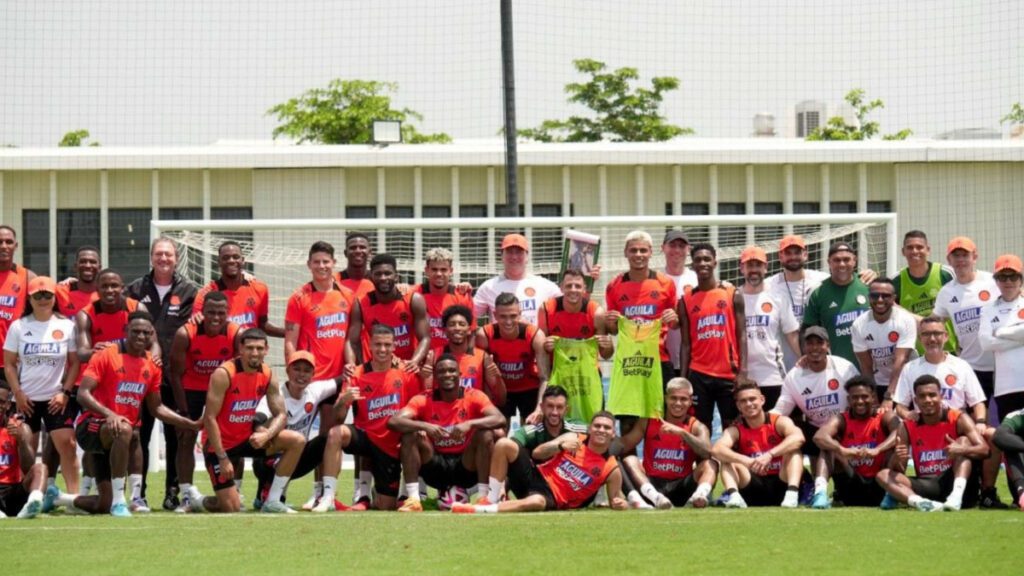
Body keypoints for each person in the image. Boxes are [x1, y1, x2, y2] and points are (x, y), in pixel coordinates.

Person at [50, 312, 200, 517]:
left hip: (119, 436)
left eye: (146, 333)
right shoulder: (106, 354)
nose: (140, 336)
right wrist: (110, 414)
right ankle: (123, 500)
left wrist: (189, 423)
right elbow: (83, 394)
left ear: (151, 335)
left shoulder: (151, 364)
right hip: (93, 426)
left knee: (102, 503)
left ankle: (58, 497)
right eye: (135, 331)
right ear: (126, 331)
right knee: (129, 429)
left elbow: (156, 408)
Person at [894, 315, 1005, 508]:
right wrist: (907, 414)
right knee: (896, 439)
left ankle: (987, 493)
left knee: (993, 435)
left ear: (946, 336)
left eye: (937, 333)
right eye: (926, 334)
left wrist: (979, 421)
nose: (932, 339)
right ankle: (898, 492)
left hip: (959, 425)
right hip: (926, 426)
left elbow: (978, 401)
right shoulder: (911, 368)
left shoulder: (960, 365)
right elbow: (900, 405)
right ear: (920, 339)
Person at [196, 328, 306, 514]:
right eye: (249, 348)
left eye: (259, 348)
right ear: (240, 348)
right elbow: (210, 417)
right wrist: (222, 458)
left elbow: (281, 414)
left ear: (267, 349)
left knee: (297, 440)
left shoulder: (267, 373)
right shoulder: (224, 374)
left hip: (247, 439)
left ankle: (272, 500)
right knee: (231, 508)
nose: (254, 353)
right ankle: (198, 501)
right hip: (219, 446)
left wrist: (268, 435)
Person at [284, 240, 360, 508]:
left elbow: (352, 338)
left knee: (328, 436)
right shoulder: (298, 297)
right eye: (316, 261)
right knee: (302, 437)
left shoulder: (348, 296)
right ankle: (280, 489)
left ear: (334, 264)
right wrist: (294, 373)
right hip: (310, 380)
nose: (321, 266)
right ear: (309, 265)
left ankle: (323, 492)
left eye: (326, 261)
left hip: (337, 380)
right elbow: (290, 340)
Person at [126, 236, 197, 511]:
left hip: (175, 377)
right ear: (151, 257)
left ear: (176, 258)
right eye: (159, 254)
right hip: (139, 377)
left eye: (168, 254)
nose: (163, 259)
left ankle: (172, 492)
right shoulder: (134, 289)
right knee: (139, 437)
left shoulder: (190, 290)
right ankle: (138, 493)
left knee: (174, 436)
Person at [388, 354, 506, 512]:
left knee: (485, 434)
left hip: (466, 466)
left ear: (460, 374)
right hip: (436, 466)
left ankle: (483, 497)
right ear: (435, 376)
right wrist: (424, 426)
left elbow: (499, 418)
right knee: (410, 434)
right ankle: (413, 499)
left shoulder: (474, 396)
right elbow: (393, 421)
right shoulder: (423, 399)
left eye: (452, 370)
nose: (447, 374)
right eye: (442, 371)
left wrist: (470, 424)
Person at [451, 411, 627, 513]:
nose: (601, 430)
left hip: (552, 497)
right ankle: (489, 499)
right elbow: (537, 453)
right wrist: (560, 445)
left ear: (613, 433)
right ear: (590, 428)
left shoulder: (611, 469)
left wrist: (621, 504)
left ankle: (479, 510)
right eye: (597, 426)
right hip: (535, 476)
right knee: (504, 444)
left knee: (537, 502)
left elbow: (616, 501)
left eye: (606, 428)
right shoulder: (575, 437)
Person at [2, 276, 80, 496]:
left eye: (48, 295)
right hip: (26, 400)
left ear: (55, 297)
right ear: (30, 298)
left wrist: (65, 393)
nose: (43, 299)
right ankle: (27, 497)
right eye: (38, 296)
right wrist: (18, 393)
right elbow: (8, 364)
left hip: (56, 399)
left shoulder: (66, 326)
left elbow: (74, 363)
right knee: (25, 449)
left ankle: (74, 497)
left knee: (69, 445)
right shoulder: (19, 326)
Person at [72, 269, 144, 500]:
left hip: (129, 380)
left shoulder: (135, 308)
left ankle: (135, 496)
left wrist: (154, 357)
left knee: (134, 434)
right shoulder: (87, 313)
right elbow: (81, 352)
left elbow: (150, 339)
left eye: (115, 286)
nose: (110, 290)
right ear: (98, 289)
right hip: (98, 382)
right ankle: (86, 488)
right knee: (96, 442)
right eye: (105, 286)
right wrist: (96, 351)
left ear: (122, 287)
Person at [333, 325, 420, 511]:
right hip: (367, 438)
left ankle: (408, 495)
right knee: (335, 433)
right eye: (378, 344)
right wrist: (343, 401)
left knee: (385, 506)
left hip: (391, 444)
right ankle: (328, 496)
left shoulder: (406, 372)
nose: (382, 349)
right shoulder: (356, 374)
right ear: (369, 346)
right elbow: (337, 418)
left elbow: (418, 405)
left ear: (394, 347)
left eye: (387, 345)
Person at [169, 291, 240, 512]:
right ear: (202, 312)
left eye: (221, 313)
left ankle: (234, 489)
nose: (216, 317)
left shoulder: (235, 333)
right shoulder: (185, 333)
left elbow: (238, 371)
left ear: (227, 313)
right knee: (186, 436)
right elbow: (174, 374)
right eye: (211, 312)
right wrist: (184, 412)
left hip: (220, 390)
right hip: (191, 389)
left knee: (231, 437)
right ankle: (187, 494)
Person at [875, 375, 988, 511]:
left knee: (963, 441)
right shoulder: (906, 426)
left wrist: (961, 450)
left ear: (941, 396)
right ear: (915, 400)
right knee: (883, 475)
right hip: (927, 484)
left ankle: (955, 498)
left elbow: (985, 450)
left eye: (932, 395)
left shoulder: (958, 418)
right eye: (922, 396)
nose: (928, 400)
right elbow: (900, 470)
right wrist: (896, 458)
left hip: (955, 481)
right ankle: (921, 504)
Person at [251, 351, 346, 512]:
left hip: (295, 457)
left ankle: (327, 496)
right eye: (297, 369)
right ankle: (269, 495)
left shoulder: (315, 390)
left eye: (306, 371)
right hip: (267, 459)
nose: (301, 375)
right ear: (287, 371)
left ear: (313, 374)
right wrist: (263, 433)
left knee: (327, 440)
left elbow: (342, 379)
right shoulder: (277, 394)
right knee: (292, 441)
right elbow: (257, 419)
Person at [772, 326, 859, 481]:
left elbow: (861, 398)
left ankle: (842, 482)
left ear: (828, 345)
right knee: (786, 430)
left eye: (820, 343)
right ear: (804, 347)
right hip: (816, 431)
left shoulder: (845, 368)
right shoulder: (794, 377)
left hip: (844, 429)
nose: (815, 348)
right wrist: (756, 418)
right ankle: (802, 484)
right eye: (810, 343)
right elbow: (781, 410)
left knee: (848, 488)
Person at [618, 377, 717, 509]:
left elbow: (707, 452)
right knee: (628, 459)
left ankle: (699, 497)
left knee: (711, 463)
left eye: (683, 399)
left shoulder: (696, 426)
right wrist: (603, 441)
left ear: (690, 401)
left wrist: (683, 433)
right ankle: (655, 498)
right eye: (673, 398)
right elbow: (625, 444)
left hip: (681, 486)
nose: (678, 403)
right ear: (665, 398)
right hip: (651, 484)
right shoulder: (649, 421)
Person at [679, 242, 747, 429]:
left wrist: (743, 371)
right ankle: (704, 460)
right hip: (699, 374)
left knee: (731, 424)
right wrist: (684, 378)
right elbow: (685, 344)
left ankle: (730, 460)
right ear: (692, 265)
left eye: (707, 259)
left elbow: (742, 335)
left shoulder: (732, 293)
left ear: (715, 263)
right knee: (701, 425)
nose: (703, 263)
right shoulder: (685, 300)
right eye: (698, 260)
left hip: (728, 372)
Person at [711, 382, 805, 508]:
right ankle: (734, 497)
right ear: (738, 406)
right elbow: (717, 450)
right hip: (753, 485)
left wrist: (770, 455)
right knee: (727, 459)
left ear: (762, 400)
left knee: (794, 452)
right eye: (743, 401)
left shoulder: (779, 421)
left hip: (781, 481)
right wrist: (748, 461)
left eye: (752, 399)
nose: (749, 404)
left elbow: (799, 438)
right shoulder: (734, 430)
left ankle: (792, 495)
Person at [811, 375, 899, 508]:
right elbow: (819, 436)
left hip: (880, 483)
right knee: (828, 447)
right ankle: (820, 493)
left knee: (897, 448)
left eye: (864, 396)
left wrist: (878, 449)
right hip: (851, 483)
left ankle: (891, 495)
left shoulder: (884, 416)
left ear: (873, 398)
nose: (860, 401)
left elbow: (900, 433)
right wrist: (843, 450)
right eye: (855, 397)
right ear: (848, 399)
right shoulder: (841, 419)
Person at [933, 236, 999, 411]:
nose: (961, 260)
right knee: (977, 422)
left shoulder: (993, 281)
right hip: (972, 367)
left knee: (1007, 418)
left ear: (974, 257)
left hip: (1001, 364)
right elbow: (933, 324)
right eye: (956, 256)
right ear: (949, 260)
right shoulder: (946, 292)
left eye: (965, 255)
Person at [605, 231, 678, 386]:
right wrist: (610, 323)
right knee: (628, 410)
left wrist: (674, 318)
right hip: (628, 361)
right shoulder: (614, 286)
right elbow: (613, 330)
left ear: (651, 252)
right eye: (633, 250)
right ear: (626, 252)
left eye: (643, 250)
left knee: (660, 410)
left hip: (659, 358)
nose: (638, 255)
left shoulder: (665, 283)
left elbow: (674, 324)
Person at [739, 246, 800, 408]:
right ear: (741, 268)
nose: (754, 270)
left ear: (765, 267)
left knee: (775, 425)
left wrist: (804, 357)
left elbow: (792, 334)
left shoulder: (778, 297)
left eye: (758, 265)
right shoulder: (733, 297)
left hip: (773, 375)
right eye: (749, 265)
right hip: (742, 377)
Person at [476, 292, 549, 426]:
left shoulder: (534, 335)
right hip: (500, 390)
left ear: (520, 313)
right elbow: (482, 378)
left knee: (532, 432)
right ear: (495, 315)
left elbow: (545, 377)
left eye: (513, 316)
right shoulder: (485, 335)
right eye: (503, 316)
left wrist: (539, 408)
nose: (508, 322)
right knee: (496, 434)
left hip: (529, 389)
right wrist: (488, 403)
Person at [193, 241, 284, 335]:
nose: (231, 261)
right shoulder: (206, 294)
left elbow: (262, 325)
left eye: (236, 257)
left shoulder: (260, 289)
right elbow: (197, 325)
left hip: (250, 347)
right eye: (226, 258)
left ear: (243, 260)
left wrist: (288, 333)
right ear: (219, 262)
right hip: (222, 348)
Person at [851, 277, 917, 406]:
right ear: (869, 297)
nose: (880, 300)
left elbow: (901, 360)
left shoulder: (905, 319)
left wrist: (889, 396)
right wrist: (873, 395)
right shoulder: (859, 324)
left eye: (885, 296)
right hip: (879, 381)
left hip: (906, 380)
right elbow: (866, 366)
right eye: (875, 296)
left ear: (893, 298)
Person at [419, 305, 504, 405]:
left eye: (461, 324)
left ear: (469, 330)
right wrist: (424, 377)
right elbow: (427, 395)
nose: (457, 328)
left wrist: (498, 377)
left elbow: (501, 400)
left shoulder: (482, 357)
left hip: (473, 415)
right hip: (443, 415)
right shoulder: (433, 356)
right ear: (445, 331)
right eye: (452, 324)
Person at [356, 253, 431, 366]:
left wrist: (413, 362)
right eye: (378, 274)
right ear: (371, 276)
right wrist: (362, 367)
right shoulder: (360, 303)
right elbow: (352, 341)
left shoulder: (414, 299)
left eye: (387, 273)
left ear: (396, 276)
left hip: (407, 367)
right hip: (378, 368)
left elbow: (425, 338)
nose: (383, 278)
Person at [802, 241, 870, 366]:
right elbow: (807, 332)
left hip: (872, 369)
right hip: (836, 369)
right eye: (837, 260)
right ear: (829, 262)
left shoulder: (868, 285)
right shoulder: (817, 293)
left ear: (854, 260)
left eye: (846, 259)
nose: (842, 264)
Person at [473, 233, 561, 326]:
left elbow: (568, 309)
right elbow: (467, 315)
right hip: (501, 340)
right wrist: (462, 295)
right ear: (501, 256)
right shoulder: (488, 287)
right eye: (510, 252)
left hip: (535, 339)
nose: (514, 257)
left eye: (519, 252)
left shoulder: (545, 286)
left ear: (527, 256)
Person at [894, 230, 956, 353]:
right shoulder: (896, 280)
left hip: (949, 349)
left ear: (928, 249)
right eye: (910, 248)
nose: (915, 251)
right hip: (917, 353)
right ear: (903, 251)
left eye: (919, 247)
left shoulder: (946, 274)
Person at [979, 254, 1024, 420]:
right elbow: (985, 343)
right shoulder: (988, 309)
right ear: (996, 281)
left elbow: (994, 340)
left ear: (1020, 279)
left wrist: (1001, 332)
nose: (1008, 282)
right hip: (1005, 387)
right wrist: (1020, 339)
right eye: (1002, 277)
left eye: (1013, 276)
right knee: (1011, 441)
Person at [539, 268, 613, 360]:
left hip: (587, 371)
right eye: (569, 286)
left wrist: (609, 345)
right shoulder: (546, 309)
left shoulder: (596, 312)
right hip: (558, 370)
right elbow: (540, 350)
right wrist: (546, 346)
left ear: (584, 289)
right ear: (561, 287)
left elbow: (606, 355)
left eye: (578, 286)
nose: (573, 290)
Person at [0, 382, 48, 519]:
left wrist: (21, 440)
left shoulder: (20, 428)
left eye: (1, 402)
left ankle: (34, 503)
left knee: (40, 468)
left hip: (12, 491)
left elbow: (28, 468)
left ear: (8, 405)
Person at [413, 247, 475, 348]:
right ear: (426, 270)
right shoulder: (413, 295)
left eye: (443, 270)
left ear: (451, 271)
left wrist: (469, 357)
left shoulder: (462, 296)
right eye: (434, 269)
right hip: (421, 356)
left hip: (450, 359)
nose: (439, 274)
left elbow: (471, 331)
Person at [0, 226, 37, 382]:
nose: (4, 246)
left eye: (9, 242)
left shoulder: (26, 276)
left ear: (16, 246)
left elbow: (50, 297)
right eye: (0, 242)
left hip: (14, 360)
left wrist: (69, 285)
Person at [662, 230, 698, 374]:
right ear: (663, 247)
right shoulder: (655, 279)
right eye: (672, 245)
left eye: (681, 246)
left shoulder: (697, 279)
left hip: (692, 360)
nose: (677, 250)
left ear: (688, 249)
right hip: (663, 358)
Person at [992, 407, 1024, 511]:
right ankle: (1022, 492)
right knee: (1010, 444)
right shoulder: (1017, 416)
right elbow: (999, 436)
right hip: (1020, 478)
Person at [55, 246, 100, 317]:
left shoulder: (105, 295)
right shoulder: (60, 291)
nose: (88, 265)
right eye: (83, 261)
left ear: (99, 268)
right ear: (75, 266)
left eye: (92, 262)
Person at [335, 232, 375, 300]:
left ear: (370, 252)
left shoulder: (377, 279)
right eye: (353, 248)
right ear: (345, 253)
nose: (358, 251)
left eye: (362, 247)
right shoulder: (334, 280)